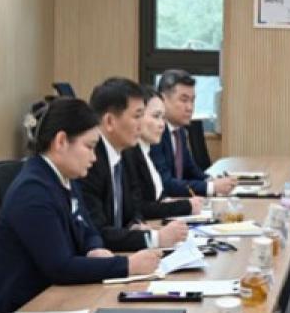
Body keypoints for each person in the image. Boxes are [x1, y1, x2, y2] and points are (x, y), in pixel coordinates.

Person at [0, 98, 161, 313]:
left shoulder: (64, 178)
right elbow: (60, 267)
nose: (94, 158)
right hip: (17, 311)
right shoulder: (32, 191)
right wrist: (128, 265)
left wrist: (95, 249)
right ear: (61, 141)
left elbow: (88, 229)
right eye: (89, 147)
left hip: (52, 299)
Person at [81, 78, 188, 253]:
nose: (142, 124)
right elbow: (98, 231)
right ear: (109, 122)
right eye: (137, 116)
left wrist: (136, 224)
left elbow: (135, 206)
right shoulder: (89, 161)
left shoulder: (126, 152)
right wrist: (155, 238)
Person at [124, 86, 206, 219]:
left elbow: (158, 198)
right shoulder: (129, 156)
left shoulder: (146, 151)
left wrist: (179, 202)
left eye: (163, 118)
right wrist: (185, 206)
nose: (162, 124)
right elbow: (140, 208)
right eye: (156, 116)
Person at [151, 69, 235, 198]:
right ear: (163, 100)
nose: (190, 107)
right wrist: (211, 187)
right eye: (184, 100)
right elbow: (166, 183)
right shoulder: (154, 133)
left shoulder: (180, 131)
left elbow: (190, 169)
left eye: (192, 100)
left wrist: (212, 180)